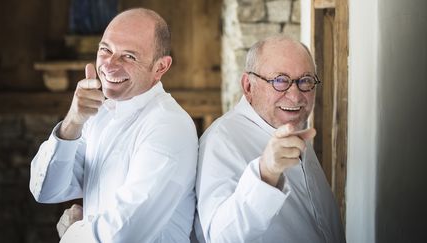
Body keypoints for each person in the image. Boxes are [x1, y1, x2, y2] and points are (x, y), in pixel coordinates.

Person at [29, 8, 198, 243]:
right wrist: (73, 122)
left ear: (160, 67)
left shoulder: (169, 126)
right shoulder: (99, 115)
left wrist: (70, 234)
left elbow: (124, 233)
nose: (109, 65)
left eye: (129, 56)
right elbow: (46, 190)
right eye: (105, 49)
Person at [195, 35, 345, 243]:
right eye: (280, 81)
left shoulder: (292, 127)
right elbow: (220, 237)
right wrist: (266, 174)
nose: (295, 96)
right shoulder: (220, 141)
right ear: (248, 86)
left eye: (306, 81)